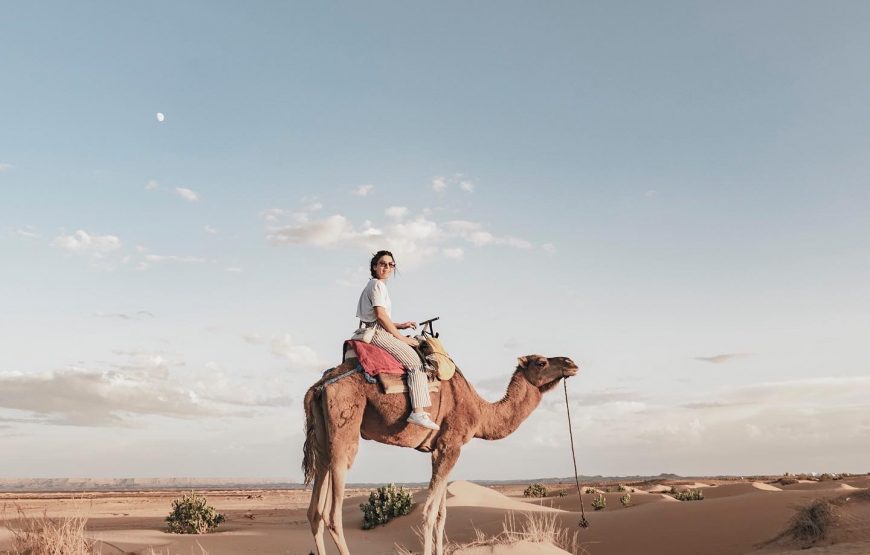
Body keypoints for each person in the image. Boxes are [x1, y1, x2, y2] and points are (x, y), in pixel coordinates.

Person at [356, 250, 440, 431]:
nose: (387, 267)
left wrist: (399, 325)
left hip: (372, 329)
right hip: (377, 334)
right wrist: (401, 338)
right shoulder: (378, 285)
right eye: (382, 264)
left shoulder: (373, 285)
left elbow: (378, 317)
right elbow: (380, 315)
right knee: (417, 363)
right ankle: (418, 411)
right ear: (374, 267)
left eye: (390, 265)